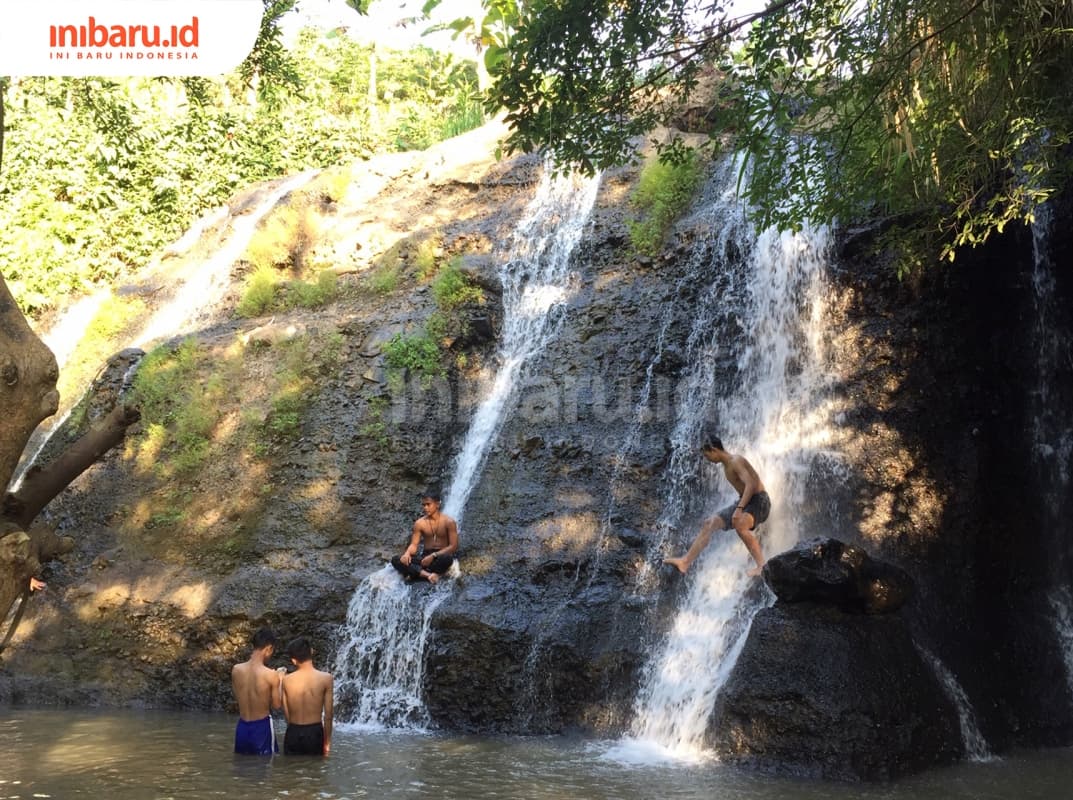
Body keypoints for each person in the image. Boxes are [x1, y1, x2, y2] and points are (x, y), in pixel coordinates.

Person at [664, 432, 771, 576]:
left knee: (740, 524)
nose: (707, 459)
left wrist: (739, 509)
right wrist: (739, 507)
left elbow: (751, 485)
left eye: (707, 455)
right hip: (745, 501)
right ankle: (685, 561)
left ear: (714, 450)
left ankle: (762, 566)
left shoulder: (735, 461)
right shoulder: (726, 467)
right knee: (710, 523)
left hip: (760, 500)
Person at [231, 627, 286, 755]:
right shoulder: (270, 675)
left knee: (242, 767)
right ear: (268, 649)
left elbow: (238, 696)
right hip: (261, 727)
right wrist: (281, 680)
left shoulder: (236, 670)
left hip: (242, 727)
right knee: (266, 767)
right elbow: (277, 705)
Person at [390, 490, 459, 584]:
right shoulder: (419, 523)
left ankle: (417, 572)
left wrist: (434, 555)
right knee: (396, 560)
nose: (425, 508)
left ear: (437, 504)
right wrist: (407, 554)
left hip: (440, 556)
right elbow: (414, 545)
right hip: (425, 558)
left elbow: (453, 547)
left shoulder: (449, 522)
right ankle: (429, 575)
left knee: (447, 558)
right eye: (423, 505)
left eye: (428, 504)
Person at [281, 636, 334, 756]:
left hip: (293, 731)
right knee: (315, 772)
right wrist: (327, 742)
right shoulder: (326, 678)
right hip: (314, 733)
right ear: (311, 651)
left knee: (291, 770)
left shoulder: (286, 680)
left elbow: (287, 712)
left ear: (294, 660)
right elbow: (329, 715)